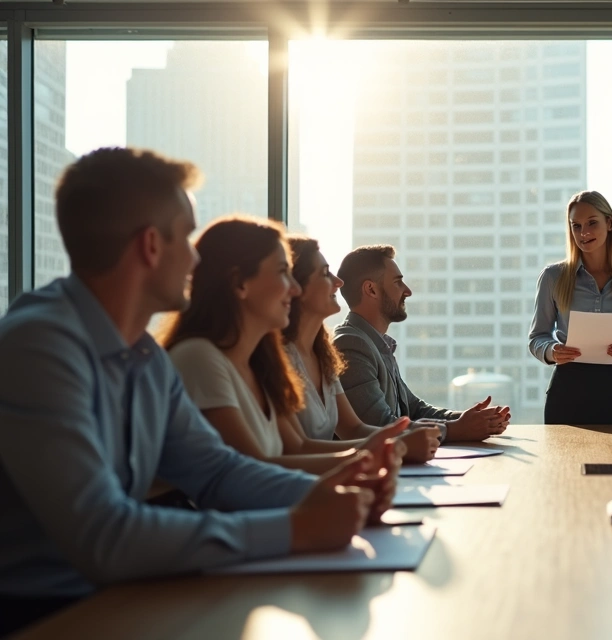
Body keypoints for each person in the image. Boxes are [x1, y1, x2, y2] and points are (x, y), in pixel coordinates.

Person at [0, 148, 393, 636]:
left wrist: (332, 495)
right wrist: (295, 526)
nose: (195, 258)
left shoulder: (142, 354)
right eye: (186, 236)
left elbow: (215, 471)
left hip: (124, 598)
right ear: (150, 246)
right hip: (42, 615)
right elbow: (103, 536)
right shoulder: (39, 347)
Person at [161, 216, 409, 476]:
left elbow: (296, 448)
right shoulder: (199, 358)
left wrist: (377, 454)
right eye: (283, 273)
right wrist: (371, 460)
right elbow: (250, 472)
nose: (294, 289)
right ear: (239, 284)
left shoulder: (261, 361)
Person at [284, 236, 441, 463]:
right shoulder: (347, 345)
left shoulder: (323, 355)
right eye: (325, 273)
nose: (338, 282)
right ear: (295, 287)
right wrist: (397, 446)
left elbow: (355, 429)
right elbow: (297, 449)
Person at [334, 245, 510, 440]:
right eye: (398, 282)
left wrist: (472, 420)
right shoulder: (350, 345)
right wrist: (455, 429)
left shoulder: (376, 344)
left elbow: (415, 410)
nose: (407, 291)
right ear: (371, 290)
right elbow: (380, 426)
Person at [528, 191, 612, 425]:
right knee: (564, 462)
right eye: (576, 226)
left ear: (609, 223)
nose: (583, 232)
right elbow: (537, 338)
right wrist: (552, 351)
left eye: (592, 223)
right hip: (567, 392)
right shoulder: (553, 277)